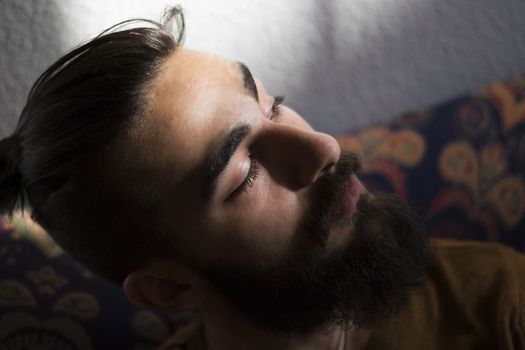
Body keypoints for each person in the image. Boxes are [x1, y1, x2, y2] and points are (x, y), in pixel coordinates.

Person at [0, 6, 523, 350]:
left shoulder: (500, 303)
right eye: (245, 173)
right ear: (168, 288)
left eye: (273, 105)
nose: (324, 147)